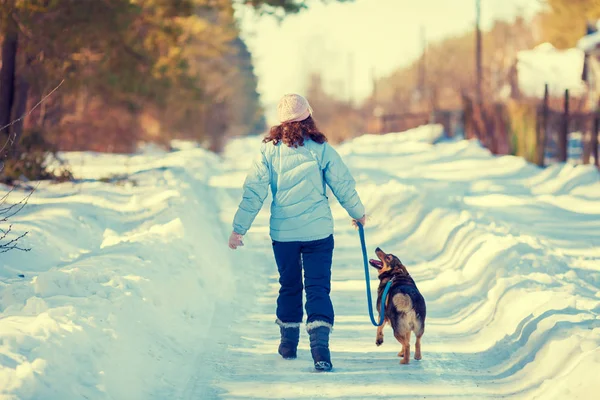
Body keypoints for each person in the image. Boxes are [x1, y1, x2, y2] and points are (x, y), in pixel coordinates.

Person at [229, 93, 366, 372]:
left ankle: (288, 343)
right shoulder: (321, 148)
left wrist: (238, 229)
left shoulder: (269, 151)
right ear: (308, 117)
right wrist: (357, 213)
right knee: (318, 288)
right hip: (318, 234)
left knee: (289, 285)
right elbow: (342, 184)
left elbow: (254, 192)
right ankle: (320, 350)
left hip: (284, 234)